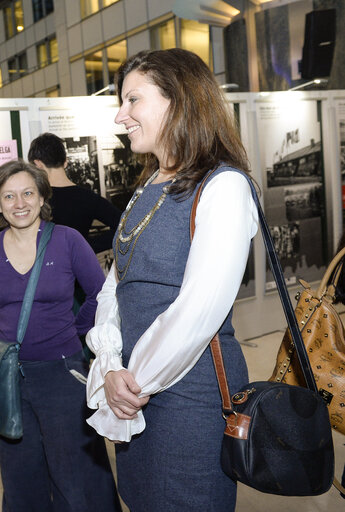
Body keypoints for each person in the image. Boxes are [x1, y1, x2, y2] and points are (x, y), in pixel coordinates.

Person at [84, 48, 258, 511]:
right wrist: (110, 363)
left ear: (177, 100)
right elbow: (113, 287)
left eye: (132, 100)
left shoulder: (224, 186)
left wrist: (131, 380)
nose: (121, 115)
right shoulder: (148, 185)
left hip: (187, 398)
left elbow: (198, 311)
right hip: (134, 389)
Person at [0, 160, 121, 512]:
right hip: (11, 377)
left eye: (28, 193)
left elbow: (100, 294)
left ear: (43, 197)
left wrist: (75, 332)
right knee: (20, 472)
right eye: (8, 196)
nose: (20, 203)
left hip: (63, 374)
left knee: (76, 472)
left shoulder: (67, 240)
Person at [28, 132, 121, 253]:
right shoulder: (88, 197)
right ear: (65, 162)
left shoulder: (34, 199)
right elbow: (126, 227)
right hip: (78, 268)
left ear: (38, 164)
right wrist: (85, 246)